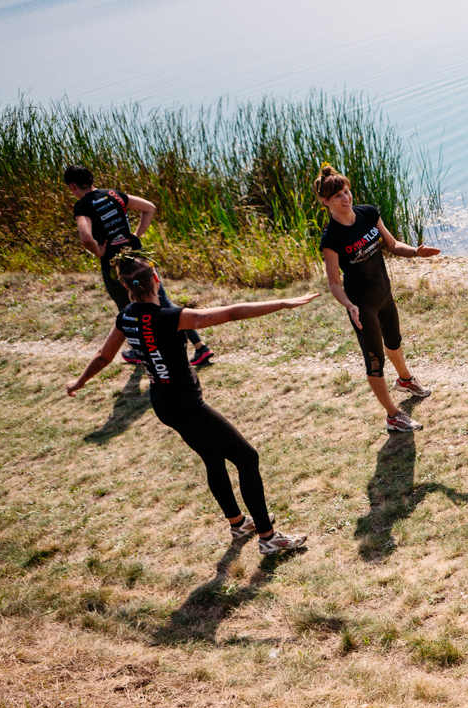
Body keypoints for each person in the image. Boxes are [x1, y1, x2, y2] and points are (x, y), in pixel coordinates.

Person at [66, 255, 312, 555]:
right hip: (187, 407)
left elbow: (104, 356)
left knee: (213, 458)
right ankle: (268, 537)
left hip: (164, 405)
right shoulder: (170, 316)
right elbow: (231, 313)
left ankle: (238, 523)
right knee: (247, 458)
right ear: (156, 280)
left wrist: (79, 381)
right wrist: (282, 303)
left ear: (126, 286)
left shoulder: (126, 317)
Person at [316, 164, 439, 433]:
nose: (345, 198)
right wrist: (349, 305)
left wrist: (416, 251)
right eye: (337, 196)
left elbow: (393, 245)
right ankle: (393, 416)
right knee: (375, 361)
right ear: (325, 201)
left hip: (384, 294)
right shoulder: (331, 238)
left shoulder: (368, 213)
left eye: (346, 191)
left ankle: (405, 380)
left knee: (394, 341)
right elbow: (334, 283)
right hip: (362, 307)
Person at [63, 165, 214, 368]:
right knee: (162, 301)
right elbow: (149, 207)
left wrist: (99, 251)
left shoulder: (82, 206)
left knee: (127, 310)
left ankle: (140, 352)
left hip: (115, 264)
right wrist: (136, 235)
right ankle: (200, 347)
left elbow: (86, 238)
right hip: (138, 256)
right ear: (90, 180)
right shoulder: (113, 194)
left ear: (72, 186)